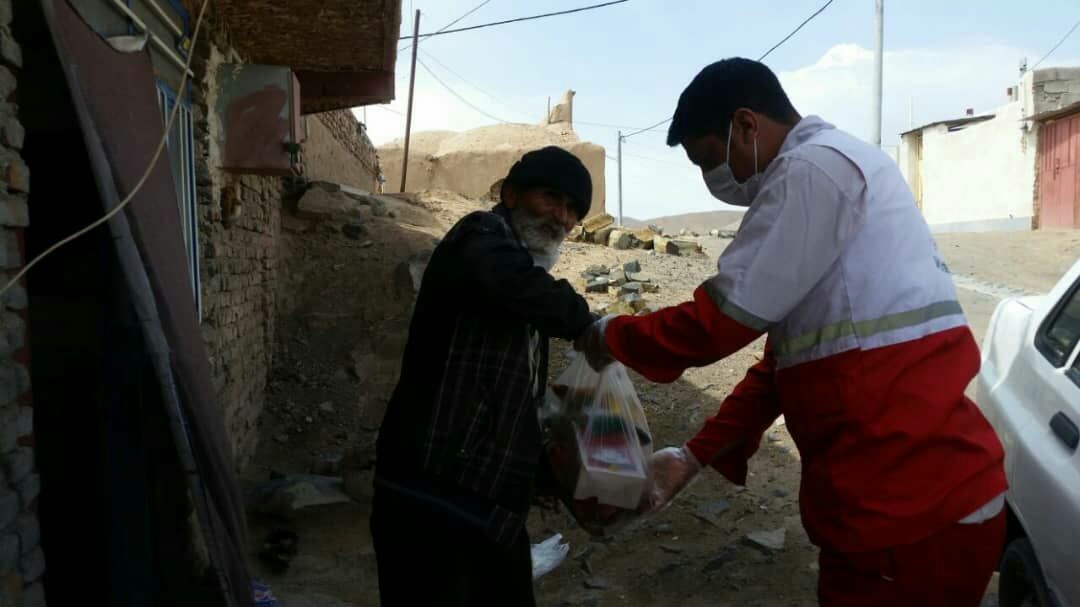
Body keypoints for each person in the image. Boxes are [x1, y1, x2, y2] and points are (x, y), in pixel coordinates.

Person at [576, 58, 1006, 606]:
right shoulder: (842, 165)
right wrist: (691, 457)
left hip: (909, 514)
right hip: (915, 501)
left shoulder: (810, 171)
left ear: (746, 125)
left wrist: (610, 335)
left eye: (712, 159)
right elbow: (784, 366)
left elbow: (715, 325)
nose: (715, 180)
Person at [371, 146, 597, 606]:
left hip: (486, 504)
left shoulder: (518, 267)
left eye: (573, 210)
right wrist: (591, 326)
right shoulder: (479, 237)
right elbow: (518, 289)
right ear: (510, 195)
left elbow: (508, 388)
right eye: (550, 198)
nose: (561, 218)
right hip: (430, 497)